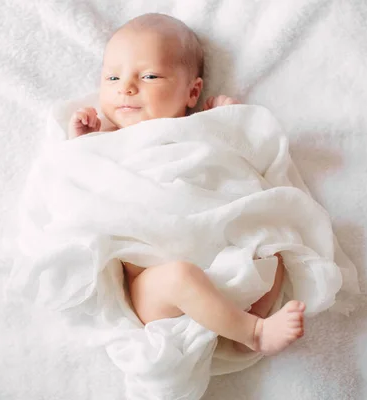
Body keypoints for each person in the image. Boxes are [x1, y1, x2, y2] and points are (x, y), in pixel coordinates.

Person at [67, 13, 305, 355]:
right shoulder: (111, 140)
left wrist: (232, 123)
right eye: (113, 76)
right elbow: (79, 181)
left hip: (224, 266)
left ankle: (242, 318)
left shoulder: (202, 131)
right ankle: (253, 333)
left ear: (192, 91)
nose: (126, 87)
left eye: (149, 76)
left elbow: (246, 165)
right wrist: (83, 140)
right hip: (152, 288)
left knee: (275, 243)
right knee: (179, 276)